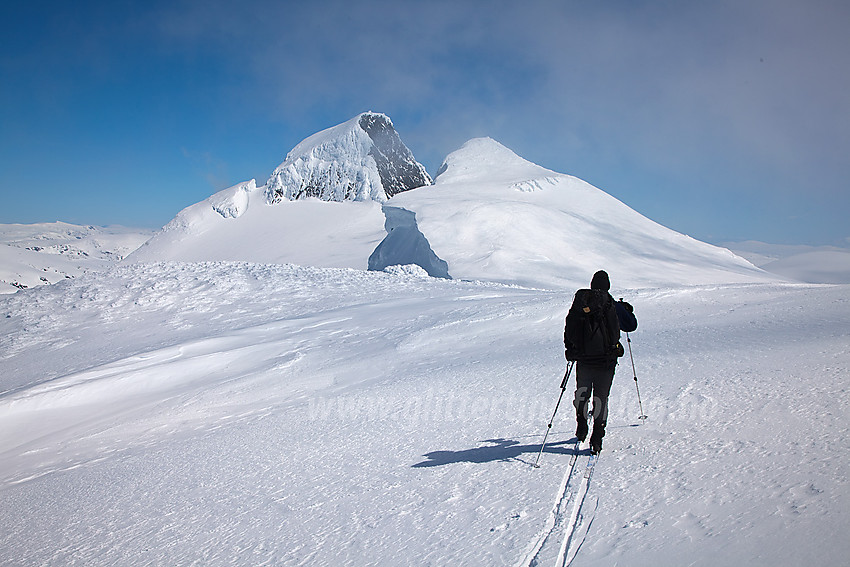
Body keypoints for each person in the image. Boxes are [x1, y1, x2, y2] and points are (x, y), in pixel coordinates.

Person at [564, 270, 636, 455]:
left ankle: (581, 425)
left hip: (584, 360)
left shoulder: (582, 303)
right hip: (606, 360)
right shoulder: (611, 304)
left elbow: (571, 327)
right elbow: (631, 325)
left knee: (582, 393)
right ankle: (597, 437)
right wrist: (626, 309)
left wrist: (572, 349)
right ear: (607, 286)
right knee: (601, 398)